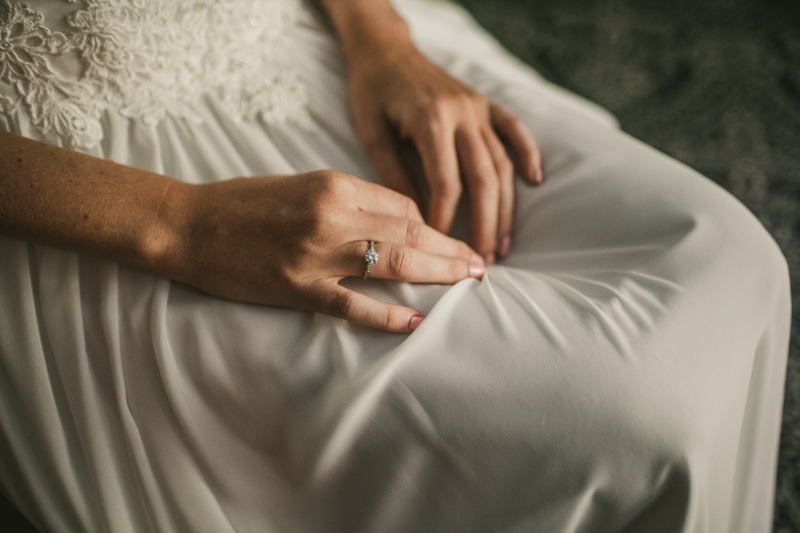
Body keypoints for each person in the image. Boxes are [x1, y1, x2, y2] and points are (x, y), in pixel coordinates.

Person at [0, 0, 790, 531]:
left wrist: (382, 42)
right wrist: (189, 224)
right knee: (622, 417)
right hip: (84, 185)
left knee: (730, 264)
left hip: (305, 42)